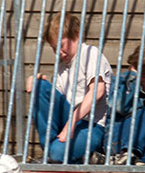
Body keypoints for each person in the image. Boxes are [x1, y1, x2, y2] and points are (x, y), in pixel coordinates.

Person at [25, 13, 113, 164]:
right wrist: (37, 83)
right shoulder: (61, 67)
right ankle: (55, 152)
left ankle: (57, 154)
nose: (58, 52)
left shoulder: (90, 54)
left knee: (58, 153)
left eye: (61, 45)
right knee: (40, 85)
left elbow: (97, 91)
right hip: (69, 118)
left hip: (91, 125)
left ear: (76, 36)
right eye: (53, 48)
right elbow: (55, 104)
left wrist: (71, 122)